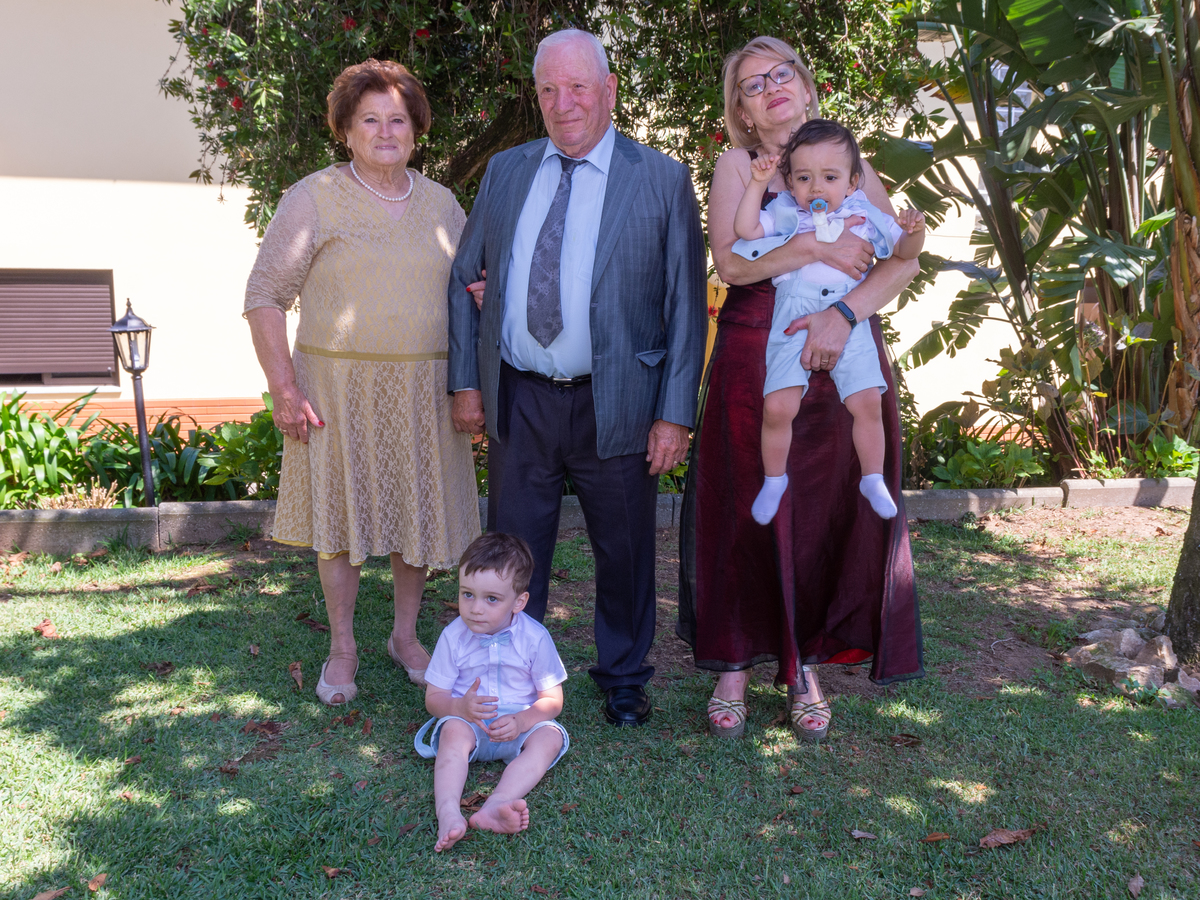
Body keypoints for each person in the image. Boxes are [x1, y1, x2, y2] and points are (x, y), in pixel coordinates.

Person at [447, 29, 707, 727]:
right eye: (548, 90)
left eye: (578, 87)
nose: (563, 104)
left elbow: (687, 305)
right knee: (512, 551)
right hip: (521, 395)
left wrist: (674, 414)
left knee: (624, 549)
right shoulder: (507, 171)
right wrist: (466, 383)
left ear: (609, 90)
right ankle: (508, 673)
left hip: (617, 399)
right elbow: (465, 277)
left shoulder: (661, 179)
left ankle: (623, 675)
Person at [677, 37, 925, 742]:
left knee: (821, 506)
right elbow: (732, 264)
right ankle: (733, 662)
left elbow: (900, 260)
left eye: (781, 73)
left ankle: (803, 664)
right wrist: (813, 247)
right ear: (743, 113)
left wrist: (843, 316)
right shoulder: (738, 167)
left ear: (807, 86)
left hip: (843, 343)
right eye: (753, 85)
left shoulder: (849, 161)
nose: (771, 88)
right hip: (758, 351)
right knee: (745, 502)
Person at [244, 59, 481, 706]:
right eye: (369, 119)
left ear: (416, 130)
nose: (385, 132)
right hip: (337, 392)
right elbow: (265, 295)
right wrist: (284, 387)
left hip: (423, 392)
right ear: (345, 130)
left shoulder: (442, 204)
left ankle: (404, 637)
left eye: (397, 119)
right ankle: (343, 645)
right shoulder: (313, 197)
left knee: (416, 516)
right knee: (339, 523)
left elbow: (468, 288)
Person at [732, 119, 926, 525]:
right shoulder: (786, 212)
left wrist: (913, 232)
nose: (816, 188)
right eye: (804, 178)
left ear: (853, 183)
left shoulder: (863, 213)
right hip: (793, 311)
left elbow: (905, 253)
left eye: (830, 177)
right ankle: (774, 479)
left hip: (848, 314)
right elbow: (745, 230)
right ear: (790, 183)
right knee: (777, 406)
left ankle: (873, 478)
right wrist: (757, 184)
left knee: (866, 401)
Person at [413, 532, 569, 852]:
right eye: (467, 594)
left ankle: (497, 803)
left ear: (519, 602)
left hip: (519, 724)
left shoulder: (536, 638)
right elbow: (434, 699)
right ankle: (448, 812)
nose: (475, 609)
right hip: (469, 721)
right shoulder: (453, 637)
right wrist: (459, 708)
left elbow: (553, 700)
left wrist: (523, 721)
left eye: (492, 599)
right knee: (452, 734)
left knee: (549, 738)